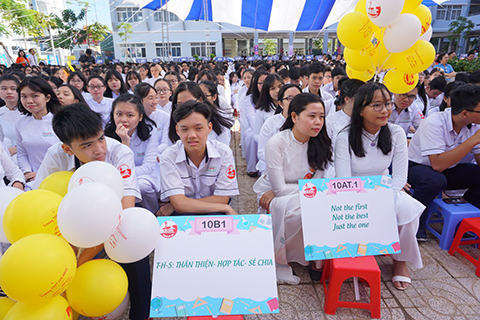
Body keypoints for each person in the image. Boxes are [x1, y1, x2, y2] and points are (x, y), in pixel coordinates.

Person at [32, 104, 150, 320]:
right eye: (87, 145)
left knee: (134, 247)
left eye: (101, 138)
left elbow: (125, 210)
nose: (99, 149)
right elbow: (42, 201)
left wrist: (79, 261)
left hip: (118, 215)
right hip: (69, 217)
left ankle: (142, 313)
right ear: (68, 149)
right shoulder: (55, 156)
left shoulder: (120, 152)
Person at [335, 82, 424, 290]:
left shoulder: (396, 133)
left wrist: (384, 197)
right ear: (361, 109)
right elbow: (344, 179)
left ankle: (400, 261)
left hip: (385, 188)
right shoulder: (344, 136)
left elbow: (400, 176)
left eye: (387, 104)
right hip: (352, 190)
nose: (385, 111)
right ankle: (363, 251)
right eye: (376, 105)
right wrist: (368, 199)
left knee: (408, 208)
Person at [253, 93, 333, 284]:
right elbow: (279, 190)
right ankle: (288, 255)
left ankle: (314, 256)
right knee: (298, 213)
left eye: (321, 116)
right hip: (271, 193)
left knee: (321, 209)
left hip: (300, 192)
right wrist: (309, 189)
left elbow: (319, 182)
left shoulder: (321, 142)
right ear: (295, 117)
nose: (318, 122)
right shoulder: (277, 143)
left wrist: (310, 190)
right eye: (312, 116)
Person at [408, 84, 480, 242]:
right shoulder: (434, 123)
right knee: (434, 180)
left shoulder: (475, 125)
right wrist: (473, 141)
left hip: (448, 169)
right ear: (465, 113)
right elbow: (437, 165)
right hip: (418, 167)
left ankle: (466, 219)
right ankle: (415, 222)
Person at [158, 101, 239, 216]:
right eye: (185, 129)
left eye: (198, 128)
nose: (192, 135)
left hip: (214, 210)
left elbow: (222, 199)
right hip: (183, 213)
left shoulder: (223, 152)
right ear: (177, 130)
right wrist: (178, 204)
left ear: (209, 127)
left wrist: (178, 204)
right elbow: (179, 204)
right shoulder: (169, 156)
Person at [105, 94, 160, 213]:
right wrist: (124, 141)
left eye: (130, 115)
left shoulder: (150, 131)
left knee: (142, 185)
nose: (123, 119)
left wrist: (128, 174)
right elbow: (110, 166)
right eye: (119, 114)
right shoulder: (107, 135)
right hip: (117, 177)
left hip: (144, 175)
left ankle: (154, 212)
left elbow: (149, 167)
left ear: (140, 117)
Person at [16, 77, 61, 186]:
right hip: (31, 180)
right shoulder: (20, 124)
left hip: (58, 176)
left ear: (47, 97)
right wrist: (27, 172)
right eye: (24, 96)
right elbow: (22, 154)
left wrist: (42, 174)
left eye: (35, 96)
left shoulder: (60, 121)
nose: (29, 101)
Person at [168, 82, 233, 146]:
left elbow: (223, 150)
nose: (185, 108)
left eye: (190, 103)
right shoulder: (172, 123)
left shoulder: (219, 123)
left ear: (201, 100)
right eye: (180, 105)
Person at [256, 84, 302, 175]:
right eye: (290, 98)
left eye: (298, 98)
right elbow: (262, 152)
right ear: (280, 103)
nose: (295, 102)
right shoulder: (271, 123)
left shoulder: (306, 122)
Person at [239, 69, 268, 177]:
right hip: (255, 127)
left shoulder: (274, 98)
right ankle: (252, 167)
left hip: (272, 127)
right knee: (251, 136)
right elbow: (251, 117)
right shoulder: (249, 99)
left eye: (266, 83)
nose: (263, 86)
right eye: (260, 83)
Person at [326, 78, 364, 152]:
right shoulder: (331, 119)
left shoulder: (366, 118)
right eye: (359, 97)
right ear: (347, 99)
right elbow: (327, 148)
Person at [135, 83, 170, 155]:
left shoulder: (165, 117)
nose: (155, 101)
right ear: (140, 100)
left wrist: (150, 152)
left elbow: (165, 144)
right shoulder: (134, 118)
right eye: (150, 98)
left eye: (156, 97)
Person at [254, 74, 284, 141]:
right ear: (267, 91)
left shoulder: (289, 106)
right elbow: (256, 134)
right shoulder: (261, 110)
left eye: (280, 86)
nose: (277, 91)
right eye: (272, 88)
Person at [0, 74, 24, 159]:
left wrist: (16, 149)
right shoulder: (1, 113)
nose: (9, 92)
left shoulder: (29, 111)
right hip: (8, 156)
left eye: (13, 89)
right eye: (4, 89)